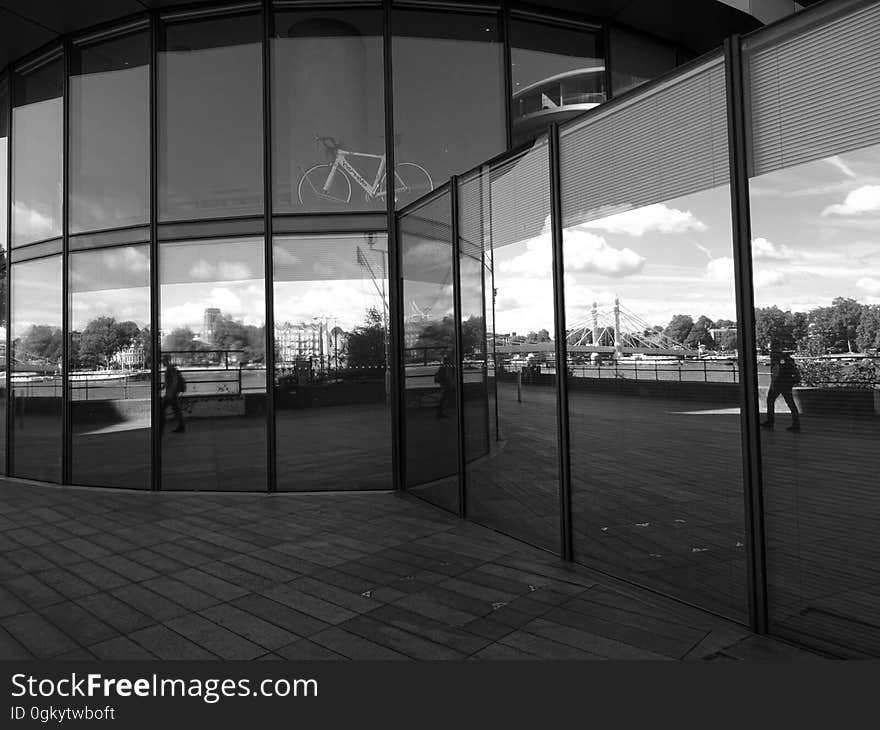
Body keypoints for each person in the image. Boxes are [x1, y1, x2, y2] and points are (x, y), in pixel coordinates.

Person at [761, 349, 801, 432]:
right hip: (786, 385)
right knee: (791, 404)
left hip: (778, 385)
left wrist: (772, 386)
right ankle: (796, 423)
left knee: (770, 401)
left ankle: (770, 421)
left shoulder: (777, 360)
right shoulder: (787, 360)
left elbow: (775, 374)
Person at [161, 355, 186, 434]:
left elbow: (174, 381)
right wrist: (163, 387)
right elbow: (169, 381)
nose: (162, 361)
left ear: (167, 360)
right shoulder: (170, 368)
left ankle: (161, 427)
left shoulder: (170, 369)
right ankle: (181, 426)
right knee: (176, 410)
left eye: (163, 360)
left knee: (161, 409)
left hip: (170, 394)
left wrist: (171, 393)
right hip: (172, 393)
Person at [434, 354, 454, 419]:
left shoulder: (442, 367)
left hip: (444, 384)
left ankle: (439, 411)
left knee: (443, 398)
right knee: (444, 397)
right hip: (446, 384)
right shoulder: (448, 367)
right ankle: (440, 411)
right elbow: (448, 376)